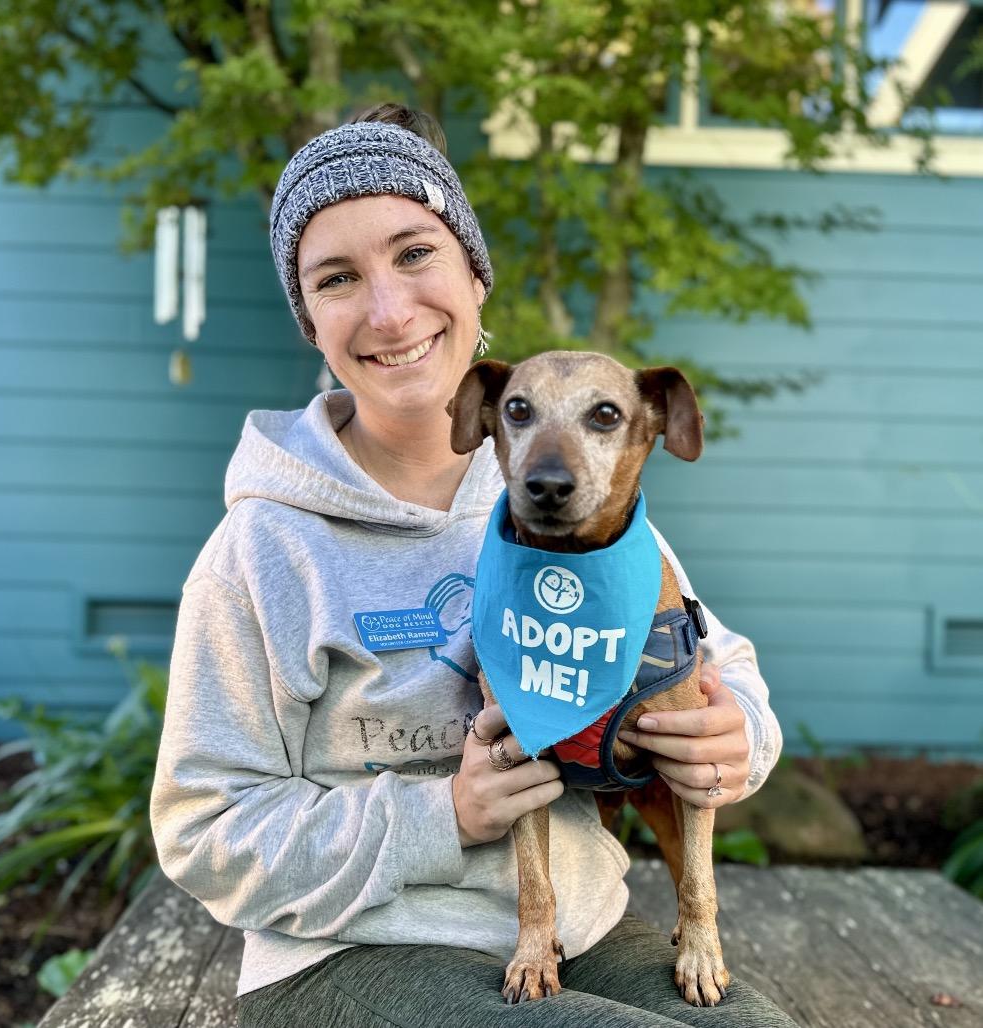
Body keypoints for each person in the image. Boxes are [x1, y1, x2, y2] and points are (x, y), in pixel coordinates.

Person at [149, 104, 797, 1027]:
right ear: (311, 321)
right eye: (337, 278)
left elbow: (713, 666)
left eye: (416, 254)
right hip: (349, 953)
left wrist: (739, 742)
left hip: (581, 929)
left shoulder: (575, 509)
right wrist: (442, 816)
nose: (388, 309)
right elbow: (201, 831)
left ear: (474, 275)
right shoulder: (262, 551)